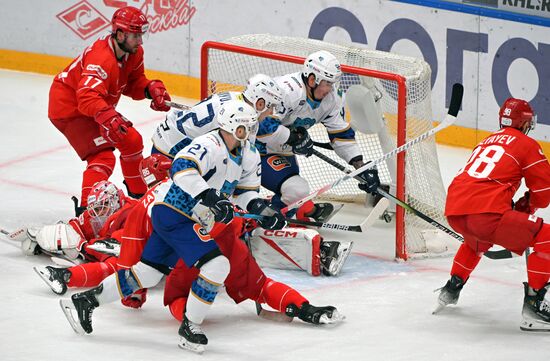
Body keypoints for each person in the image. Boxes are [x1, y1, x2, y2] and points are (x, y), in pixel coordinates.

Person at [59, 99, 287, 353]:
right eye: (247, 127)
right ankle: (190, 327)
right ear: (234, 127)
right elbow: (181, 167)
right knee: (217, 264)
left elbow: (245, 193)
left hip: (189, 218)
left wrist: (260, 210)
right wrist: (209, 196)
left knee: (147, 273)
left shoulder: (249, 154)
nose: (252, 132)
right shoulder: (209, 144)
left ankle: (86, 300)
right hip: (175, 213)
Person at [434, 98, 550, 331]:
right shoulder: (526, 144)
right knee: (546, 237)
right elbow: (544, 190)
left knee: (477, 240)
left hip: (456, 210)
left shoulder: (486, 141)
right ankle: (534, 307)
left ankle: (451, 288)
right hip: (486, 214)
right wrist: (527, 206)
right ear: (524, 123)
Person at [48, 6, 171, 210]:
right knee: (102, 156)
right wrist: (107, 115)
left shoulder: (134, 52)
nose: (140, 41)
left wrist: (149, 88)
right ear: (120, 33)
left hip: (94, 105)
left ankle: (139, 198)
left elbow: (133, 82)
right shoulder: (102, 58)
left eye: (141, 35)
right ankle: (89, 212)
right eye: (135, 36)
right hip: (69, 108)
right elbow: (86, 97)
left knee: (131, 141)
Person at [255, 50, 380, 222]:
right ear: (312, 79)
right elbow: (261, 124)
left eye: (333, 83)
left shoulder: (333, 99)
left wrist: (360, 165)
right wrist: (292, 138)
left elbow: (341, 134)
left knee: (296, 192)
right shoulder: (287, 90)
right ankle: (254, 218)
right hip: (252, 149)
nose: (330, 89)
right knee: (240, 189)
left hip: (279, 151)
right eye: (327, 83)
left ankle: (268, 217)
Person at [33, 155, 171, 309]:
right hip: (156, 254)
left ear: (114, 202)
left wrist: (85, 247)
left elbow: (116, 248)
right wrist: (44, 238)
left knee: (114, 267)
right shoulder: (107, 211)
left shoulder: (130, 212)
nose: (98, 213)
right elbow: (78, 225)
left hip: (158, 258)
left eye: (101, 208)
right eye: (96, 209)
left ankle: (66, 276)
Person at [164, 217, 344, 325]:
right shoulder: (220, 177)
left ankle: (190, 321)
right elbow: (237, 218)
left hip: (189, 255)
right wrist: (252, 219)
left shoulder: (163, 196)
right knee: (261, 287)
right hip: (229, 247)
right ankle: (304, 308)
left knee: (176, 297)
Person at [151, 73, 282, 158]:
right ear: (260, 104)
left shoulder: (234, 97)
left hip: (167, 137)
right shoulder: (241, 116)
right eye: (271, 107)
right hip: (170, 151)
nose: (271, 112)